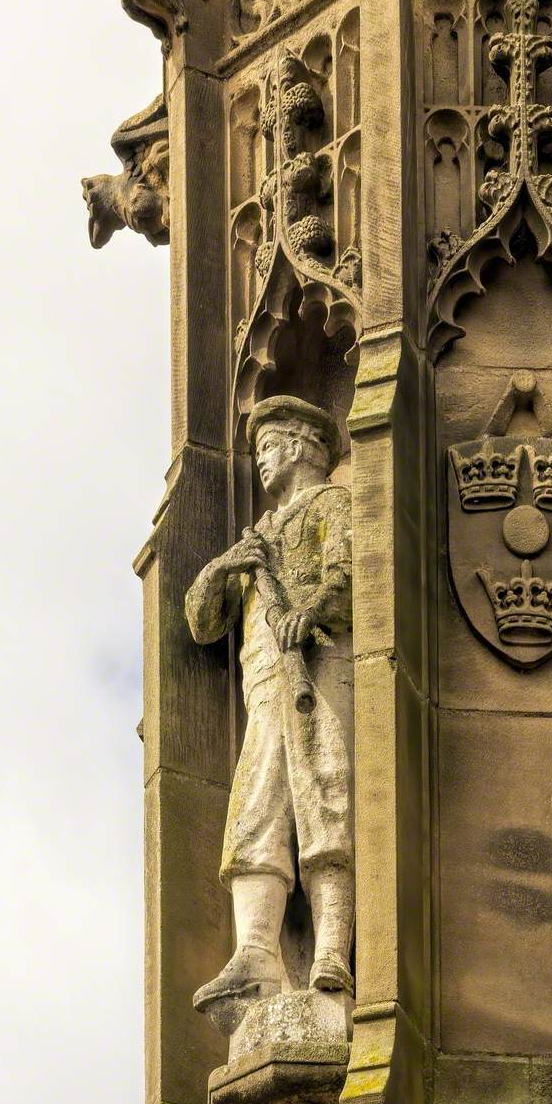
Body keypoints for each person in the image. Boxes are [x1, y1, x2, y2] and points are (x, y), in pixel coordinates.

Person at [185, 394, 354, 1016]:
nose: (261, 461)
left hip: (319, 665)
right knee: (257, 804)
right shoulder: (258, 535)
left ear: (303, 447)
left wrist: (312, 612)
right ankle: (255, 951)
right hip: (264, 684)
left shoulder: (332, 504)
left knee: (324, 791)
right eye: (256, 450)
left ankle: (333, 946)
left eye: (269, 446)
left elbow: (351, 572)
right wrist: (229, 565)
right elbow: (204, 622)